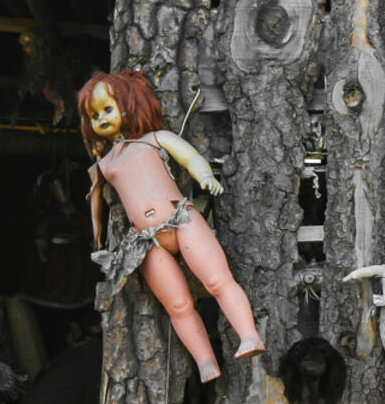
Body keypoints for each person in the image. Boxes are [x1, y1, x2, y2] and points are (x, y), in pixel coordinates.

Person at [78, 71, 263, 381]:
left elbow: (190, 158)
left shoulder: (155, 139)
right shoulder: (104, 165)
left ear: (127, 105)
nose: (101, 119)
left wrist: (205, 176)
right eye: (94, 116)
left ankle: (249, 335)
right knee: (178, 304)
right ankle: (205, 362)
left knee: (218, 280)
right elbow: (96, 204)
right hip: (147, 241)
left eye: (107, 109)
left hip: (181, 218)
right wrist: (99, 244)